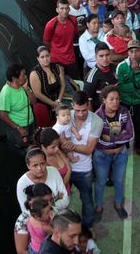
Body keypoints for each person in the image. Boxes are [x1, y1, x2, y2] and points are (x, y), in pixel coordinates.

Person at [60, 91, 102, 229]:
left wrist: (69, 146)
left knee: (87, 202)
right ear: (72, 106)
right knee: (60, 201)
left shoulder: (96, 121)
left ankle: (87, 230)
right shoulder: (66, 115)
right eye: (77, 110)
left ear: (88, 104)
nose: (80, 114)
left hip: (84, 170)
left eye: (84, 110)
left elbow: (89, 149)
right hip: (65, 167)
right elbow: (58, 139)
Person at [93, 86, 134, 220]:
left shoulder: (124, 112)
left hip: (120, 154)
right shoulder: (97, 116)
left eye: (117, 99)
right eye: (111, 99)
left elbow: (130, 135)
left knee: (119, 180)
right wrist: (119, 137)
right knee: (100, 182)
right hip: (101, 155)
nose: (115, 102)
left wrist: (110, 139)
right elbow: (98, 141)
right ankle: (98, 206)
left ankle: (118, 204)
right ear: (104, 100)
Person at [115, 39, 140, 161]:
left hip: (139, 102)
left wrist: (136, 72)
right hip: (124, 103)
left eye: (137, 51)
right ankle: (122, 145)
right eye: (131, 51)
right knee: (121, 125)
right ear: (128, 53)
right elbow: (119, 87)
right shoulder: (121, 66)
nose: (134, 54)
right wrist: (135, 86)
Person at [16, 148, 70, 213]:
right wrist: (54, 202)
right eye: (35, 165)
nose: (40, 168)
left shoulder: (53, 171)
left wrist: (40, 208)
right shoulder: (22, 183)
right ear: (28, 166)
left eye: (42, 164)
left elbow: (65, 200)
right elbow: (26, 211)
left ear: (46, 162)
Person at [0, 63, 36, 149]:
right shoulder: (6, 92)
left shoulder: (23, 86)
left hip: (30, 123)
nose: (25, 76)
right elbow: (2, 114)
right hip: (18, 129)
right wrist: (18, 128)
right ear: (14, 78)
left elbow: (34, 102)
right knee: (22, 150)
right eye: (23, 75)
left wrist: (27, 89)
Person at [44, 0, 80, 80]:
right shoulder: (50, 24)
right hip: (56, 59)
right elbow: (46, 42)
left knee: (75, 82)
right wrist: (56, 50)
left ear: (69, 9)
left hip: (70, 58)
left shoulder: (73, 20)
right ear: (57, 10)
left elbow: (74, 33)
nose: (64, 11)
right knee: (58, 83)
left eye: (66, 8)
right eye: (62, 8)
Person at [30, 46, 66, 128]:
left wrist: (59, 101)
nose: (45, 59)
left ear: (50, 55)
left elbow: (63, 85)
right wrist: (53, 104)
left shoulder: (57, 67)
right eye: (42, 57)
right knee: (46, 132)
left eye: (47, 56)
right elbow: (37, 94)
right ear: (37, 58)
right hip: (43, 107)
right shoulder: (34, 73)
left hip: (58, 103)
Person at [83, 42, 117, 111]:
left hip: (116, 109)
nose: (105, 59)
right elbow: (87, 101)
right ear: (96, 57)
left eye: (107, 55)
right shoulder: (91, 78)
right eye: (101, 56)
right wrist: (94, 119)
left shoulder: (115, 68)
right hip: (100, 114)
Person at [40, 128, 72, 195]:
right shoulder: (42, 163)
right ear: (43, 147)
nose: (57, 148)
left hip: (67, 192)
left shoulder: (57, 151)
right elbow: (60, 186)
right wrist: (69, 170)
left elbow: (69, 165)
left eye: (58, 145)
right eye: (53, 147)